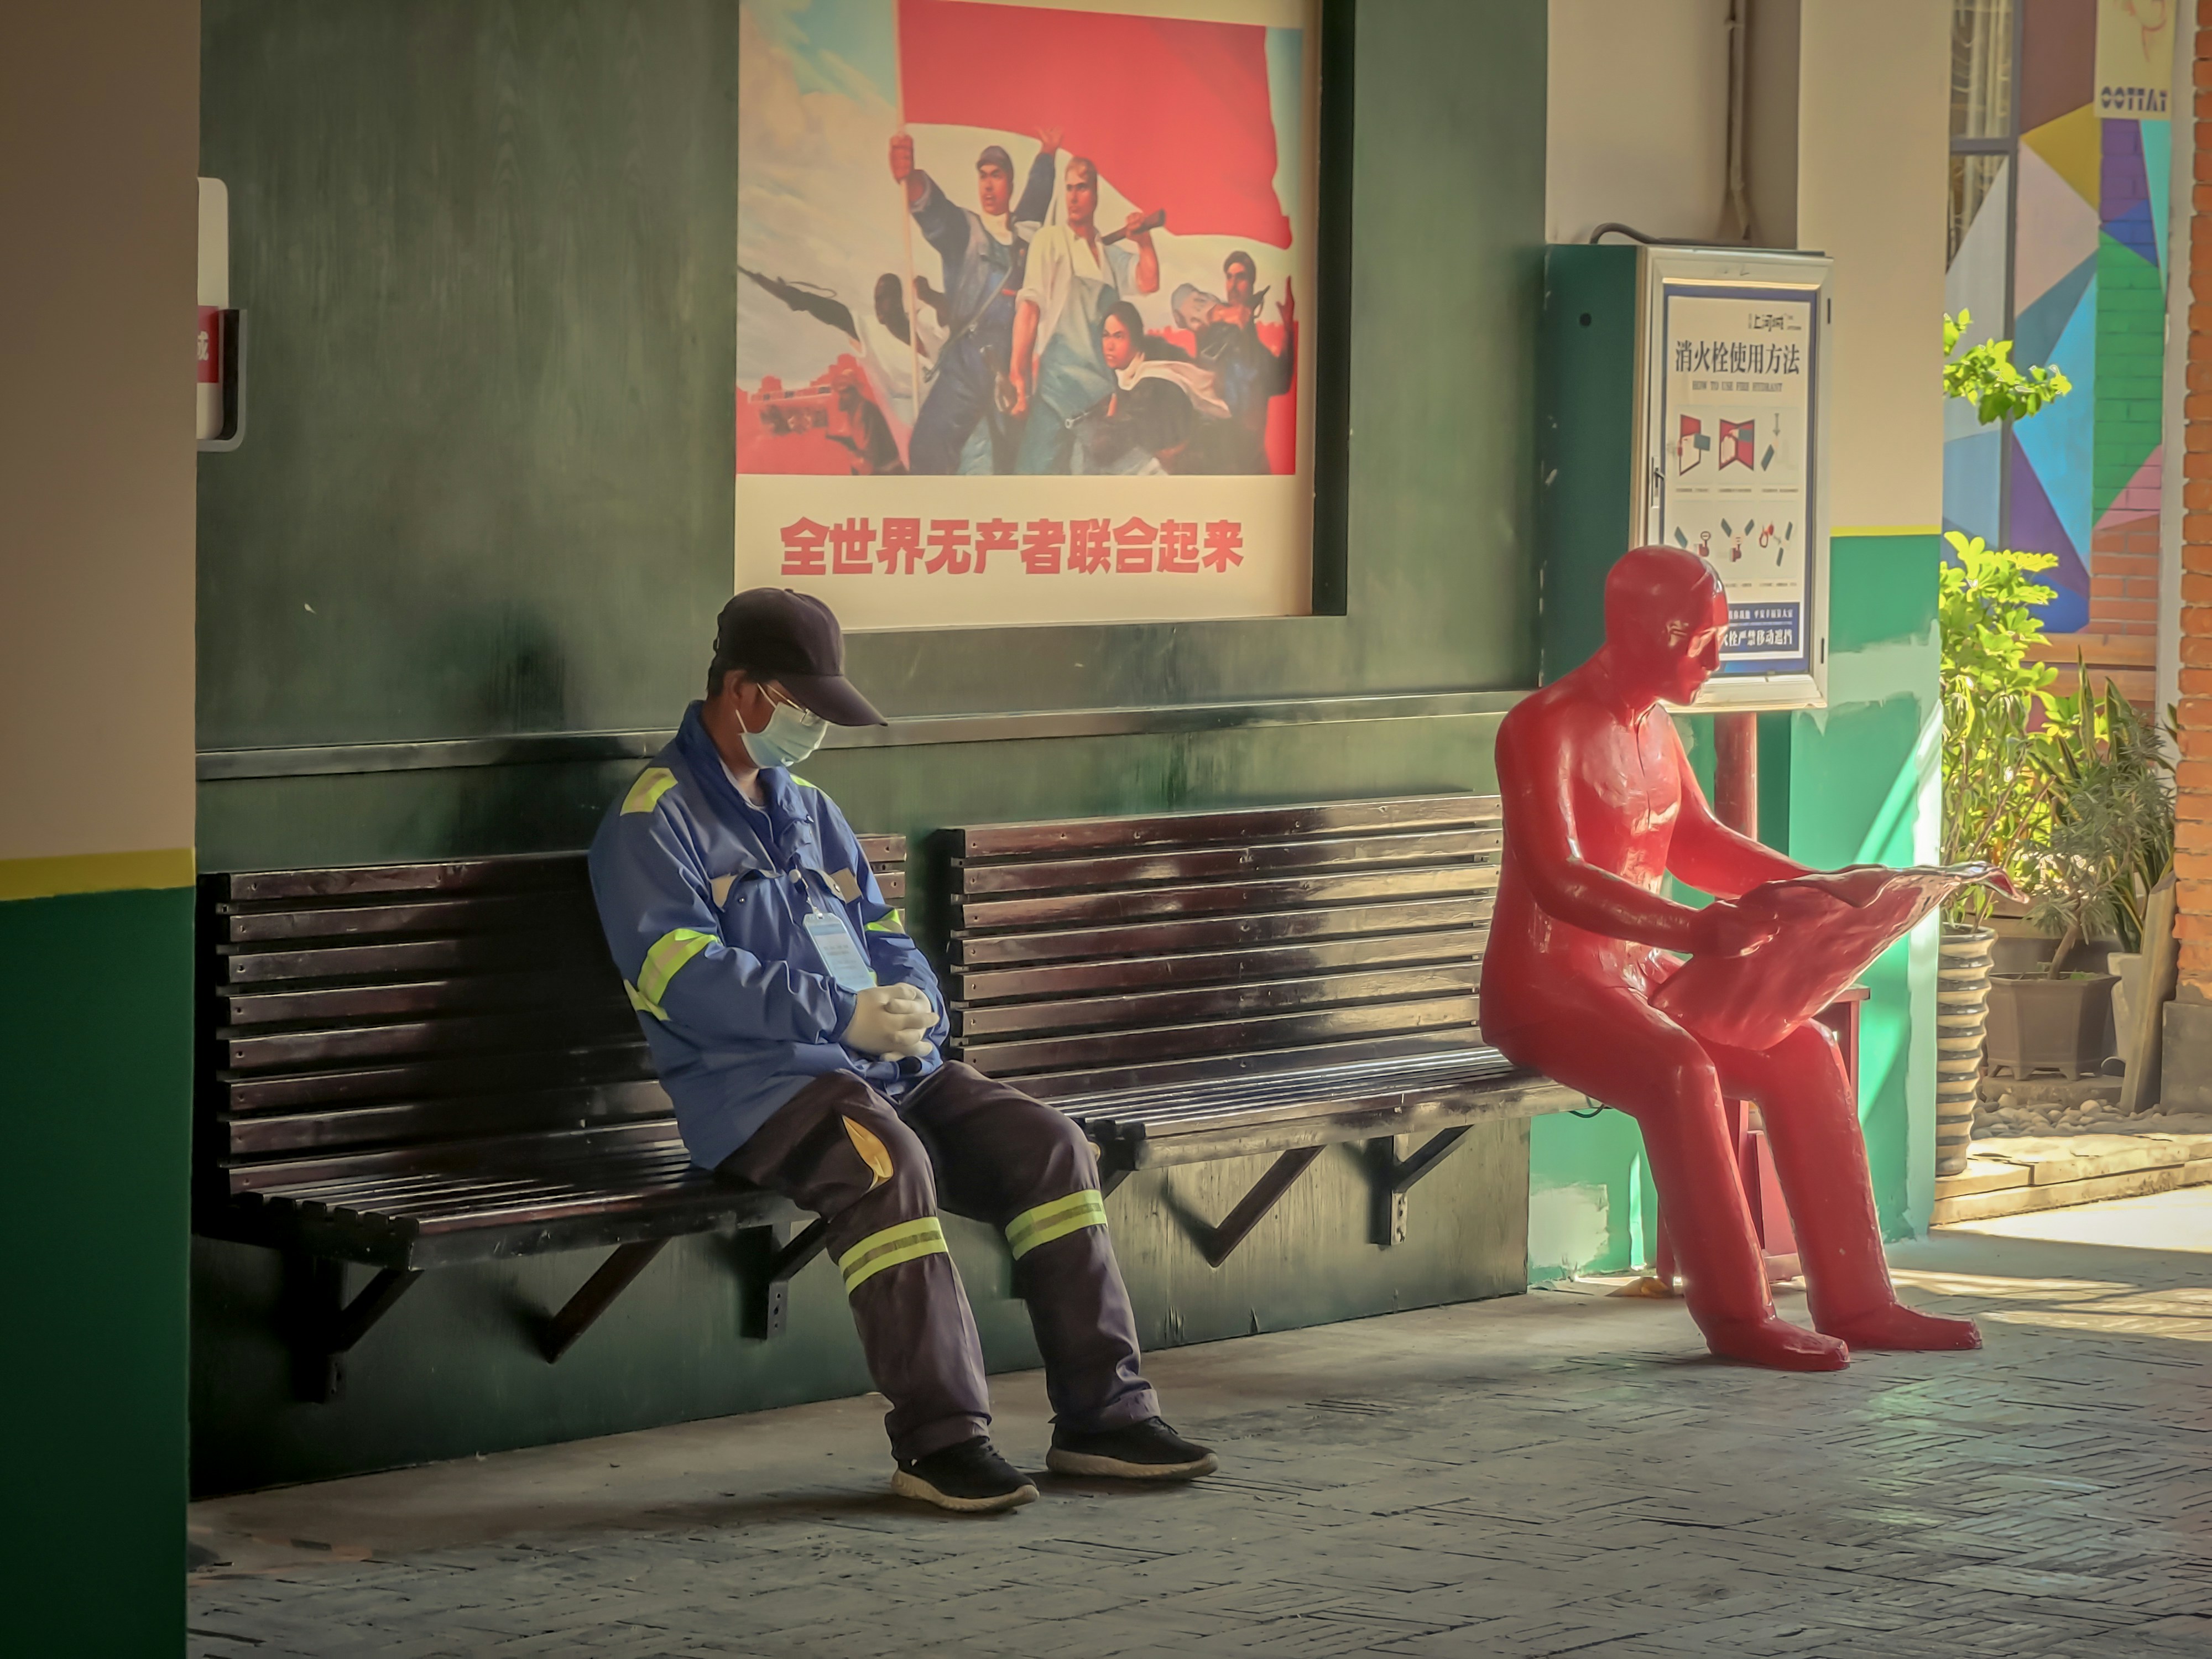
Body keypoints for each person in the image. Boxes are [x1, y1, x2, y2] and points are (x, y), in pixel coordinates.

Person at [588, 589, 1218, 1511]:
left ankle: (1104, 1418)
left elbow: (883, 929)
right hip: (762, 1093)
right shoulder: (653, 820)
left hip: (891, 1070)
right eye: (804, 709)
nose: (814, 730)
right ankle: (941, 1440)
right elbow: (680, 975)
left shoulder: (812, 810)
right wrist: (838, 1015)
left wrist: (917, 999)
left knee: (1051, 1145)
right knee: (889, 1162)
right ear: (746, 693)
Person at [1481, 546, 1981, 1372]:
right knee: (1679, 1070)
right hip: (1550, 989)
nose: (1717, 659)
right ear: (1640, 631)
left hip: (1642, 978)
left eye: (1720, 638)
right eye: (1700, 640)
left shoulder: (1656, 728)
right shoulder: (1543, 726)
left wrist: (1832, 891)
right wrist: (1695, 932)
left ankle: (1861, 1299)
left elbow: (1696, 841)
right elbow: (1560, 879)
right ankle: (1739, 1314)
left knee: (1805, 1052)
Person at [891, 133, 1056, 475]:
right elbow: (934, 210)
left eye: (997, 176)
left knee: (1014, 467)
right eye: (983, 176)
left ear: (1010, 183)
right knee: (927, 449)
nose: (989, 185)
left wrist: (1048, 152)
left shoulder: (1025, 235)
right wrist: (910, 179)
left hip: (1011, 372)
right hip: (966, 364)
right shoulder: (964, 231)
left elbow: (1038, 195)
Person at [1008, 156, 1159, 473]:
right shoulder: (1050, 241)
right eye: (1069, 189)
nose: (1074, 198)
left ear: (1095, 194)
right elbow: (1030, 308)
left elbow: (1149, 281)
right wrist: (1018, 374)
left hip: (1100, 406)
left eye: (1082, 188)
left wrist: (1144, 242)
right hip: (1055, 397)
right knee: (1032, 488)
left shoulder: (1109, 255)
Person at [1071, 301, 1230, 475]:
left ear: (1135, 339)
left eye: (1119, 337)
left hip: (1187, 470)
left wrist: (1110, 414)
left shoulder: (1153, 387)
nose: (1109, 346)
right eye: (1106, 335)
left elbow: (1103, 450)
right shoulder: (1133, 367)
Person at [1171, 252, 1295, 474]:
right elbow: (1181, 299)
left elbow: (1281, 383)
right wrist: (1221, 312)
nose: (1234, 284)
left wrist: (1288, 328)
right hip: (1211, 459)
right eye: (1229, 277)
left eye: (1241, 277)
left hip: (1250, 465)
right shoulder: (1212, 323)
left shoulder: (1256, 348)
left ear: (1252, 283)